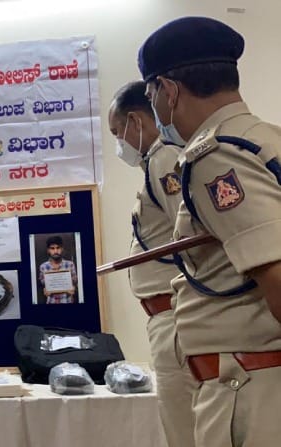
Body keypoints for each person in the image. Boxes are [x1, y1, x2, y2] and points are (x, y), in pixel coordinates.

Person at [139, 16, 281, 446]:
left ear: (168, 90)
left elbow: (276, 273)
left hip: (248, 386)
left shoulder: (216, 157)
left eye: (150, 95)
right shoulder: (264, 138)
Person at [108, 80, 196, 447]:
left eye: (117, 132)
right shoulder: (156, 162)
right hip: (168, 314)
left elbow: (190, 235)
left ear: (136, 121)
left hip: (175, 312)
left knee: (184, 428)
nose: (119, 143)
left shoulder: (162, 159)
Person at [38, 236, 77, 304]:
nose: (55, 251)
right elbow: (43, 284)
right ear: (48, 250)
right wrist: (45, 290)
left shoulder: (70, 264)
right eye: (52, 248)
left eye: (58, 248)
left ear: (62, 249)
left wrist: (74, 288)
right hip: (51, 302)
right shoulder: (43, 267)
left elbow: (75, 283)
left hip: (67, 301)